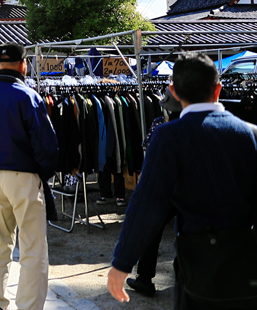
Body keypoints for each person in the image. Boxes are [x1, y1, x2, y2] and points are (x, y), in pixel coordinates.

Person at [107, 52, 257, 308]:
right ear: (218, 89)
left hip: (197, 264)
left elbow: (148, 202)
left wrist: (122, 262)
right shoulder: (250, 133)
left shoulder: (168, 137)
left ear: (173, 92)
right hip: (247, 264)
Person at [0, 43, 58, 310]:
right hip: (22, 175)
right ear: (24, 64)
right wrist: (45, 173)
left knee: (0, 240)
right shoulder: (28, 96)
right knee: (32, 247)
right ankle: (29, 306)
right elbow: (46, 145)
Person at [124, 90, 182, 298]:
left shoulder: (161, 126)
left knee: (150, 229)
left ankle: (144, 279)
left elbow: (150, 159)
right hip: (194, 189)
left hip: (166, 190)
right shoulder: (201, 124)